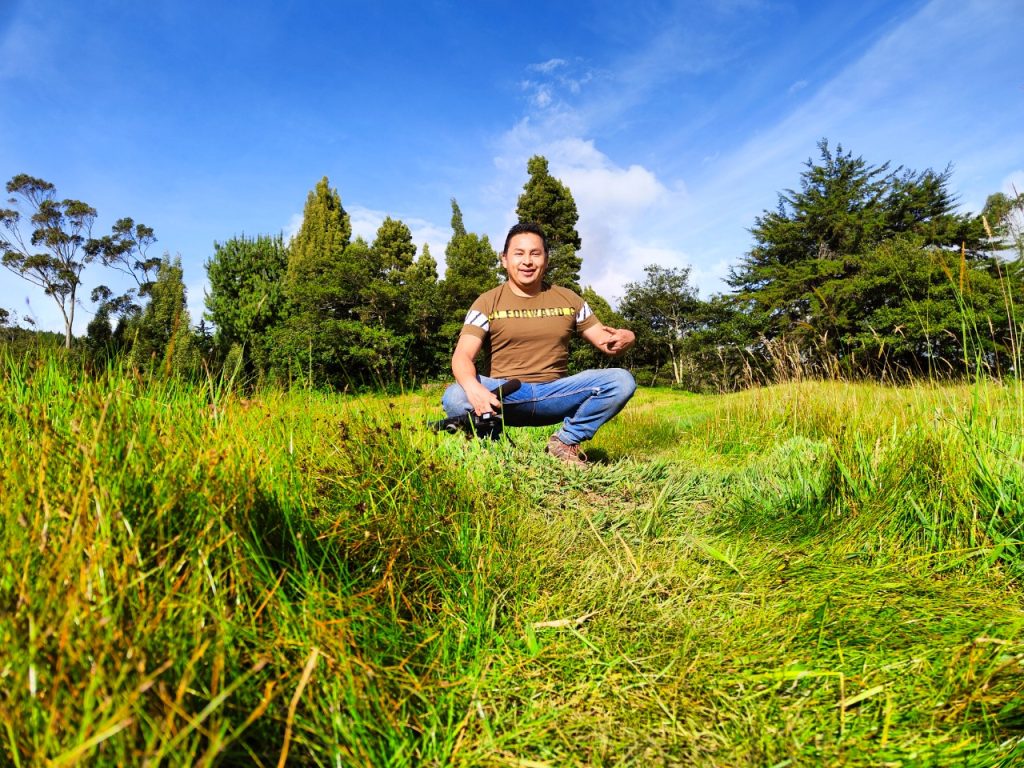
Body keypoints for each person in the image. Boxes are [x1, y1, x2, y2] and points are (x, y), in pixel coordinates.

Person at [441, 221, 637, 466]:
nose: (527, 261)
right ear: (504, 259)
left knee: (621, 381)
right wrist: (473, 388)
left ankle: (564, 443)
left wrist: (627, 337)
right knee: (455, 396)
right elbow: (462, 357)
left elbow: (606, 342)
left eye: (535, 253)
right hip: (507, 394)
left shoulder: (569, 299)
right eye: (519, 253)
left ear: (546, 258)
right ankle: (493, 447)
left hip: (556, 393)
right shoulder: (486, 302)